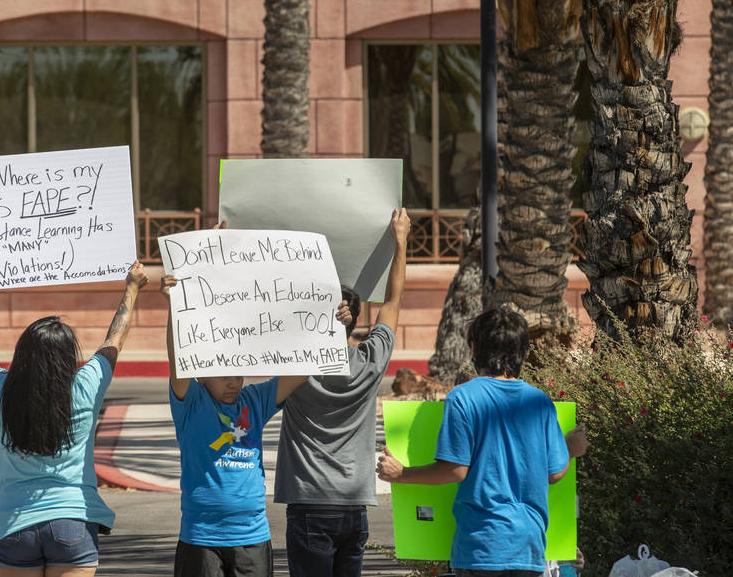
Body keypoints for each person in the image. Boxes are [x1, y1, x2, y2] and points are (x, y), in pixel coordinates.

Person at [0, 261, 150, 577]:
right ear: (68, 356)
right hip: (73, 521)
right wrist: (132, 288)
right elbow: (115, 340)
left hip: (14, 524)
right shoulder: (86, 385)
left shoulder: (0, 388)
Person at [375, 306, 588, 577]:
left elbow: (455, 469)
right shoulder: (540, 401)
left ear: (474, 349)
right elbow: (555, 472)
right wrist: (569, 448)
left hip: (481, 547)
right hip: (530, 548)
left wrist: (402, 474)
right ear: (522, 352)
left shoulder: (463, 398)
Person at [158, 272, 332, 577]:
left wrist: (331, 323)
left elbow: (306, 366)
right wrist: (176, 306)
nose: (234, 383)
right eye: (224, 374)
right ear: (200, 373)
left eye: (238, 374)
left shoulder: (255, 400)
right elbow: (179, 359)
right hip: (201, 538)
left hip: (252, 538)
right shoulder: (191, 402)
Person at [273, 207, 411, 577]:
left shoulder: (296, 369)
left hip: (309, 505)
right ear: (352, 320)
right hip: (354, 507)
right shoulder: (370, 361)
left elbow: (271, 327)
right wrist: (401, 243)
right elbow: (393, 303)